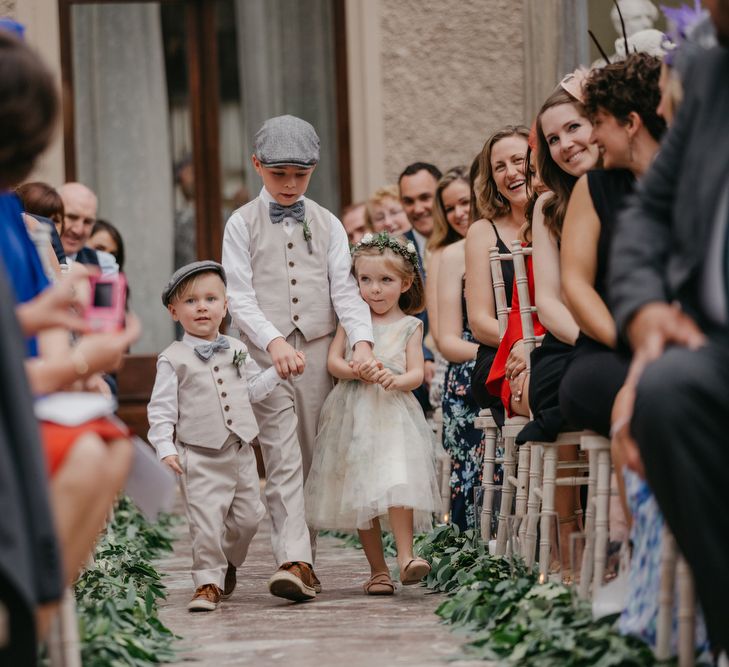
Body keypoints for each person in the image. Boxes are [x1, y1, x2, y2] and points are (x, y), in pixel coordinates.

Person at [609, 0, 729, 651]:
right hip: (712, 339)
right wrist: (645, 307)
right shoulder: (710, 73)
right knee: (663, 394)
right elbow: (650, 212)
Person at [222, 115, 374, 601]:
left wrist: (363, 340)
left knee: (308, 457)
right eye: (278, 173)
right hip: (262, 357)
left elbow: (346, 292)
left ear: (314, 169)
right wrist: (272, 343)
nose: (289, 184)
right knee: (282, 456)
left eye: (300, 175)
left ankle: (305, 560)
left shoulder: (328, 223)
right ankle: (296, 560)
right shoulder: (240, 223)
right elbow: (239, 297)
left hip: (315, 352)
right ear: (256, 166)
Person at [304, 233, 439, 595]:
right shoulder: (352, 320)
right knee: (363, 492)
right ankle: (377, 570)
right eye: (365, 280)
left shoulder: (410, 325)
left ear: (405, 283)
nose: (374, 290)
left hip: (394, 417)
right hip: (355, 416)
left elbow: (414, 374)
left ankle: (406, 557)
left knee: (397, 484)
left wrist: (394, 379)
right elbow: (334, 361)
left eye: (385, 281)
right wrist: (355, 370)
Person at [148, 260, 278, 611]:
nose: (201, 307)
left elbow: (252, 389)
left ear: (225, 306)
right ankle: (207, 582)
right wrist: (164, 446)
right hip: (199, 454)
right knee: (205, 524)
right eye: (190, 301)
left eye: (210, 299)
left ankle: (229, 560)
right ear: (174, 312)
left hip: (239, 451)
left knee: (249, 518)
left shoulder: (237, 349)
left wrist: (278, 373)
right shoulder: (172, 358)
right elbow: (161, 409)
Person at [465, 126, 529, 414]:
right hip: (500, 353)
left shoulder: (563, 217)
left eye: (519, 160)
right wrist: (525, 343)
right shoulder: (483, 232)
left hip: (555, 345)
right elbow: (479, 322)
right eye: (499, 167)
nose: (511, 173)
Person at [57, 181, 100, 266]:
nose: (78, 230)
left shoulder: (103, 265)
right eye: (72, 217)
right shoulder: (28, 258)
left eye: (88, 221)